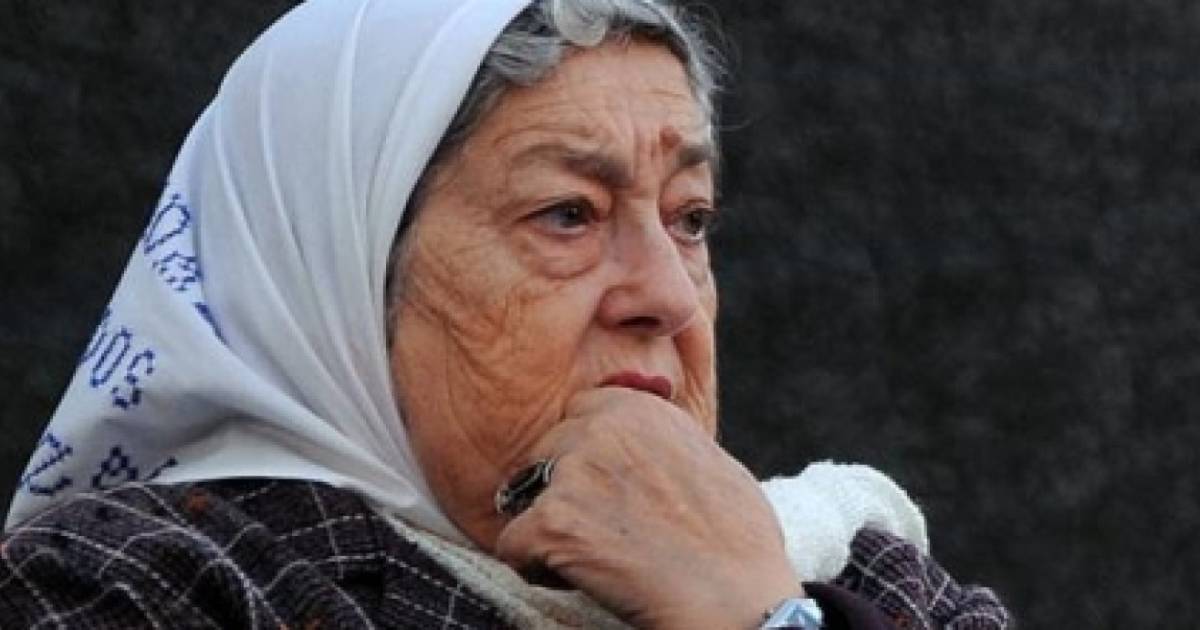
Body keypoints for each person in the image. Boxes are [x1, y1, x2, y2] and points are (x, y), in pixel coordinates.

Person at [1, 0, 1010, 628]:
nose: (668, 296)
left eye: (690, 219)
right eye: (568, 214)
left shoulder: (856, 577)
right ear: (341, 279)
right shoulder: (135, 590)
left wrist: (754, 611)